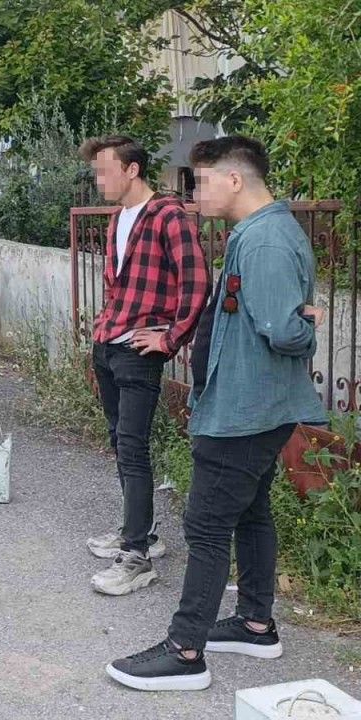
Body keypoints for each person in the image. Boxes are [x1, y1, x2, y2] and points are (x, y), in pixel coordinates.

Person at [107, 136, 328, 691]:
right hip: (250, 405)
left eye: (201, 182)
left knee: (206, 526)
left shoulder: (266, 242)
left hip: (244, 411)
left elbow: (282, 330)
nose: (193, 195)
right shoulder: (257, 233)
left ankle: (185, 652)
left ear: (234, 179)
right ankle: (255, 624)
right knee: (250, 512)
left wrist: (307, 326)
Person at [79, 135, 210, 596]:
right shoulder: (118, 218)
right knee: (120, 440)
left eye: (104, 171)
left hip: (140, 352)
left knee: (133, 447)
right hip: (109, 345)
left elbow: (196, 282)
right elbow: (116, 286)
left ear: (131, 169)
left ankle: (136, 557)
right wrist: (103, 330)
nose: (99, 180)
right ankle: (143, 532)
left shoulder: (168, 215)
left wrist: (171, 338)